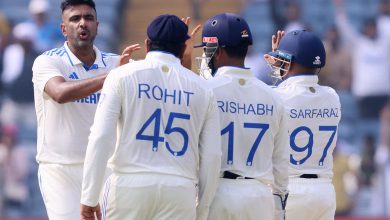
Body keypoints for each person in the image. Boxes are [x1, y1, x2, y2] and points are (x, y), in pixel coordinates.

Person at [80, 14, 221, 220]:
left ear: (147, 44)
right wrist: (203, 206)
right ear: (183, 49)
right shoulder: (203, 89)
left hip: (128, 186)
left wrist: (89, 197)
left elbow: (101, 137)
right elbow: (212, 155)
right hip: (179, 189)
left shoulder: (121, 75)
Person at [31, 0, 140, 219]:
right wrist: (113, 76)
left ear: (97, 25)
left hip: (106, 169)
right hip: (60, 169)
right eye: (75, 19)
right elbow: (60, 93)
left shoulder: (117, 63)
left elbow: (152, 92)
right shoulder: (47, 61)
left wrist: (180, 63)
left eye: (88, 18)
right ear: (63, 28)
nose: (83, 23)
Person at [195, 13, 289, 220]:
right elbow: (281, 164)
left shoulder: (204, 90)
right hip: (260, 197)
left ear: (217, 51)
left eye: (206, 51)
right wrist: (280, 209)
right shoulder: (273, 97)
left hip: (218, 193)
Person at [264, 30, 341, 220]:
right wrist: (283, 62)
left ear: (291, 62)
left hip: (290, 191)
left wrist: (277, 70)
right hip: (324, 191)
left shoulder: (277, 97)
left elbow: (275, 95)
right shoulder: (332, 96)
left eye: (283, 60)